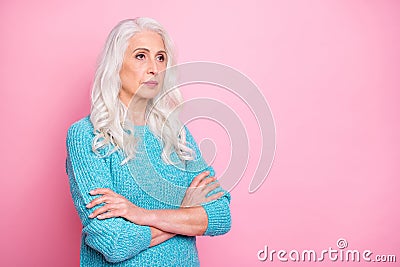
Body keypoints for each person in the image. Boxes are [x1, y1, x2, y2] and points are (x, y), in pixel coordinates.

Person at [66, 17, 231, 266]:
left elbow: (220, 215)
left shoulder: (177, 134)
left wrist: (139, 214)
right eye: (141, 56)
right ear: (116, 65)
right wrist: (185, 216)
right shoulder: (88, 136)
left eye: (161, 57)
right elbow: (114, 242)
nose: (154, 67)